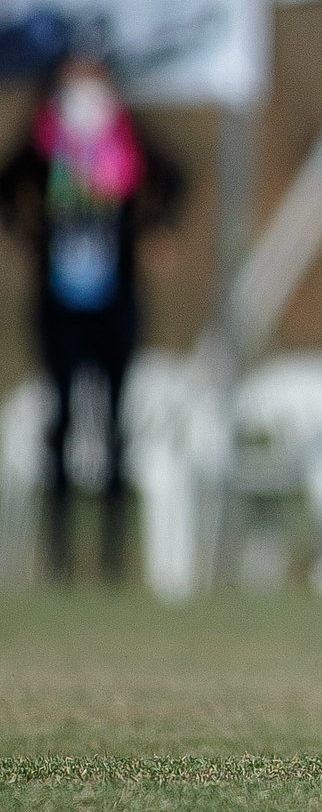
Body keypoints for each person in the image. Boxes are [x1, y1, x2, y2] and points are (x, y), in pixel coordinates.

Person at [0, 48, 183, 585]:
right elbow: (8, 185)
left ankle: (110, 559)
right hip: (58, 302)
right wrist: (30, 234)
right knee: (59, 420)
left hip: (115, 299)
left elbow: (173, 179)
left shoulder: (124, 134)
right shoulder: (45, 138)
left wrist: (153, 231)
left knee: (114, 426)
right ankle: (58, 557)